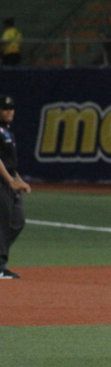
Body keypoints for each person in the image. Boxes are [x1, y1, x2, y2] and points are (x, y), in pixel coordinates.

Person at [0, 96, 30, 279]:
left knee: (17, 221)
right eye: (5, 108)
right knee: (3, 224)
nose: (9, 111)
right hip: (1, 182)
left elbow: (10, 163)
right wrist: (10, 181)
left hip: (9, 180)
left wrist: (19, 180)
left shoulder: (7, 132)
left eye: (11, 108)